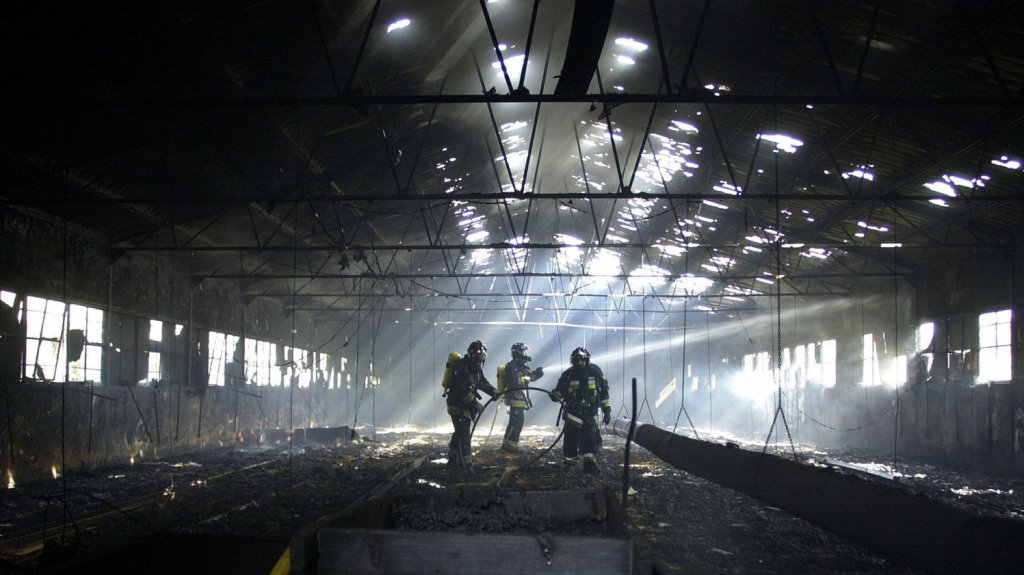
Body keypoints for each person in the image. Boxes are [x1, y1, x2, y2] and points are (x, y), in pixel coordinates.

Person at [549, 346, 611, 474]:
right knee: (570, 439)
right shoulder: (568, 375)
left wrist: (607, 411)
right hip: (573, 414)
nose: (580, 363)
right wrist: (555, 395)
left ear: (587, 360)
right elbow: (560, 391)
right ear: (573, 361)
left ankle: (590, 464)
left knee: (590, 438)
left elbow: (604, 393)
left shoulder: (595, 373)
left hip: (590, 413)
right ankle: (569, 463)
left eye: (583, 360)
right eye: (577, 360)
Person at [444, 340, 497, 467]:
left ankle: (453, 459)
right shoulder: (460, 366)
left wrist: (493, 391)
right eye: (480, 353)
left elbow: (482, 382)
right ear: (472, 353)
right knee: (465, 437)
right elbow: (461, 391)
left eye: (483, 353)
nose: (482, 355)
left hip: (466, 406)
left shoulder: (476, 367)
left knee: (459, 433)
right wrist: (476, 405)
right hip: (457, 406)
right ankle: (466, 465)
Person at [500, 342, 543, 452]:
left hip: (519, 398)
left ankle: (507, 444)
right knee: (518, 423)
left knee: (514, 422)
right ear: (519, 353)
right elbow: (516, 382)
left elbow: (530, 377)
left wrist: (537, 374)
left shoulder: (521, 366)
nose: (526, 353)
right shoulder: (512, 366)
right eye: (524, 351)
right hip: (514, 398)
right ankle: (511, 446)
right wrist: (527, 378)